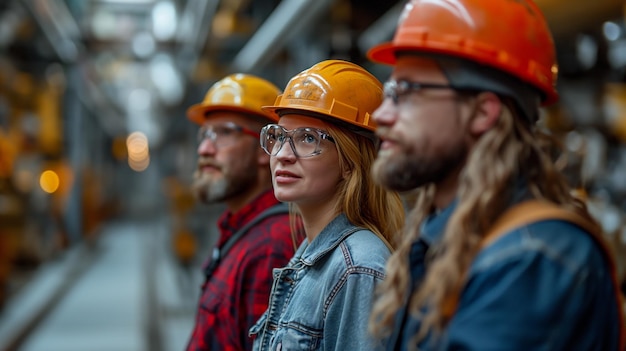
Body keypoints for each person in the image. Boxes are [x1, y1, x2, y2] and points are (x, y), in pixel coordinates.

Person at [366, 0, 625, 350]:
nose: (381, 114)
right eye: (388, 92)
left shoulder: (532, 261)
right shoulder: (443, 240)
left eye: (407, 92)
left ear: (482, 112)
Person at [249, 59, 405, 350]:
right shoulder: (311, 253)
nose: (283, 154)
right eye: (279, 136)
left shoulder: (358, 268)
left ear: (350, 162)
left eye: (308, 138)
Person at [185, 74, 296, 351]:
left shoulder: (272, 246)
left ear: (267, 147)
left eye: (224, 132)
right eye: (205, 134)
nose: (204, 149)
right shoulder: (242, 230)